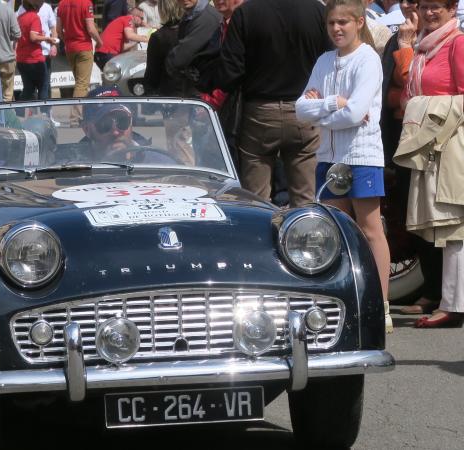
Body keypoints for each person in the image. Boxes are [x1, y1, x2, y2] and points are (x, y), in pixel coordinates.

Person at [296, 0, 392, 333]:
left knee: (369, 228)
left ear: (359, 22)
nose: (337, 29)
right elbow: (300, 109)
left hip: (361, 155)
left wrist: (322, 116)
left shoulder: (368, 59)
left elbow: (356, 113)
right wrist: (332, 104)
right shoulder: (324, 60)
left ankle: (381, 304)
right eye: (332, 23)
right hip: (329, 156)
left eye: (343, 22)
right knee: (334, 229)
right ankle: (342, 301)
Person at [197, 0, 329, 208]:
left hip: (260, 113)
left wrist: (204, 81)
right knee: (306, 201)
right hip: (306, 109)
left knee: (256, 201)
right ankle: (306, 228)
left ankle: (261, 227)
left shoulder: (246, 13)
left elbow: (231, 72)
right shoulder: (318, 11)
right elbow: (331, 60)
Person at [391, 0, 464, 328]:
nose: (430, 13)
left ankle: (454, 305)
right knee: (439, 226)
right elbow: (407, 94)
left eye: (437, 7)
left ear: (452, 9)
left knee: (453, 225)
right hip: (431, 146)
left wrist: (422, 106)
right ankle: (444, 298)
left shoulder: (457, 43)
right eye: (425, 7)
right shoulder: (424, 48)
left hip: (451, 144)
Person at [57, 0, 103, 125]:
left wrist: (67, 41)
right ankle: (75, 117)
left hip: (70, 48)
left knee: (79, 83)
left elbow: (59, 30)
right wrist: (99, 42)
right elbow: (91, 29)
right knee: (82, 84)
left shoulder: (62, 4)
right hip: (84, 47)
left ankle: (82, 114)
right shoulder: (86, 3)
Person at [164, 0, 221, 97]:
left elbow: (180, 58)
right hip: (196, 85)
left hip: (205, 90)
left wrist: (170, 62)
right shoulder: (191, 14)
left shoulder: (207, 17)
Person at [17, 0, 57, 105]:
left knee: (28, 88)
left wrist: (41, 36)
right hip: (35, 59)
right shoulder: (35, 17)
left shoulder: (20, 17)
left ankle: (19, 111)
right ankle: (45, 112)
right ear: (37, 7)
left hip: (21, 59)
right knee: (44, 86)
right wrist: (47, 38)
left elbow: (23, 36)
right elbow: (33, 37)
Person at [143, 0, 183, 96]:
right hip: (195, 95)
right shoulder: (194, 29)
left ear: (162, 9)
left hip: (170, 95)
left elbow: (152, 74)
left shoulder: (158, 37)